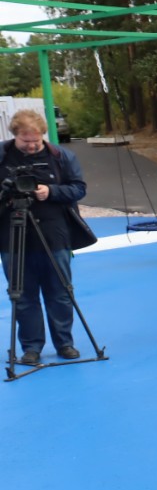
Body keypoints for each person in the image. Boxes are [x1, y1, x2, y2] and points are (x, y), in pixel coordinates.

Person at [0, 109, 88, 365]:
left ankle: (65, 343)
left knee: (60, 292)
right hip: (12, 235)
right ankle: (31, 348)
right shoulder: (3, 156)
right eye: (25, 141)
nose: (31, 146)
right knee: (22, 295)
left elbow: (79, 188)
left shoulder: (60, 156)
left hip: (54, 234)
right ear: (14, 135)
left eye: (36, 140)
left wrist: (51, 191)